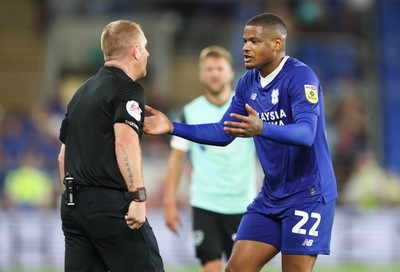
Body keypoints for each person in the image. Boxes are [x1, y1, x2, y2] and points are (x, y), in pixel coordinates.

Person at [144, 13, 337, 272]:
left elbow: (306, 134)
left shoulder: (301, 77)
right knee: (235, 269)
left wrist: (262, 128)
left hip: (308, 194)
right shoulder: (248, 82)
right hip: (272, 196)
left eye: (255, 41)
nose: (245, 47)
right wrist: (172, 127)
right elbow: (224, 133)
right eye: (245, 40)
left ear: (277, 43)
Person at [58, 20, 164, 272]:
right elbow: (125, 142)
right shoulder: (127, 89)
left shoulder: (80, 93)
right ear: (135, 51)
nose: (148, 53)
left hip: (74, 207)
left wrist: (77, 200)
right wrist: (137, 196)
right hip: (110, 207)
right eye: (145, 46)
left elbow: (63, 156)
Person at [164, 46, 256, 272]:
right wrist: (169, 202)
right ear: (201, 74)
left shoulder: (248, 109)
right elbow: (176, 159)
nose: (215, 74)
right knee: (211, 268)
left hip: (242, 205)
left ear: (230, 73)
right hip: (205, 204)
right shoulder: (189, 112)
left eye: (219, 68)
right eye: (209, 69)